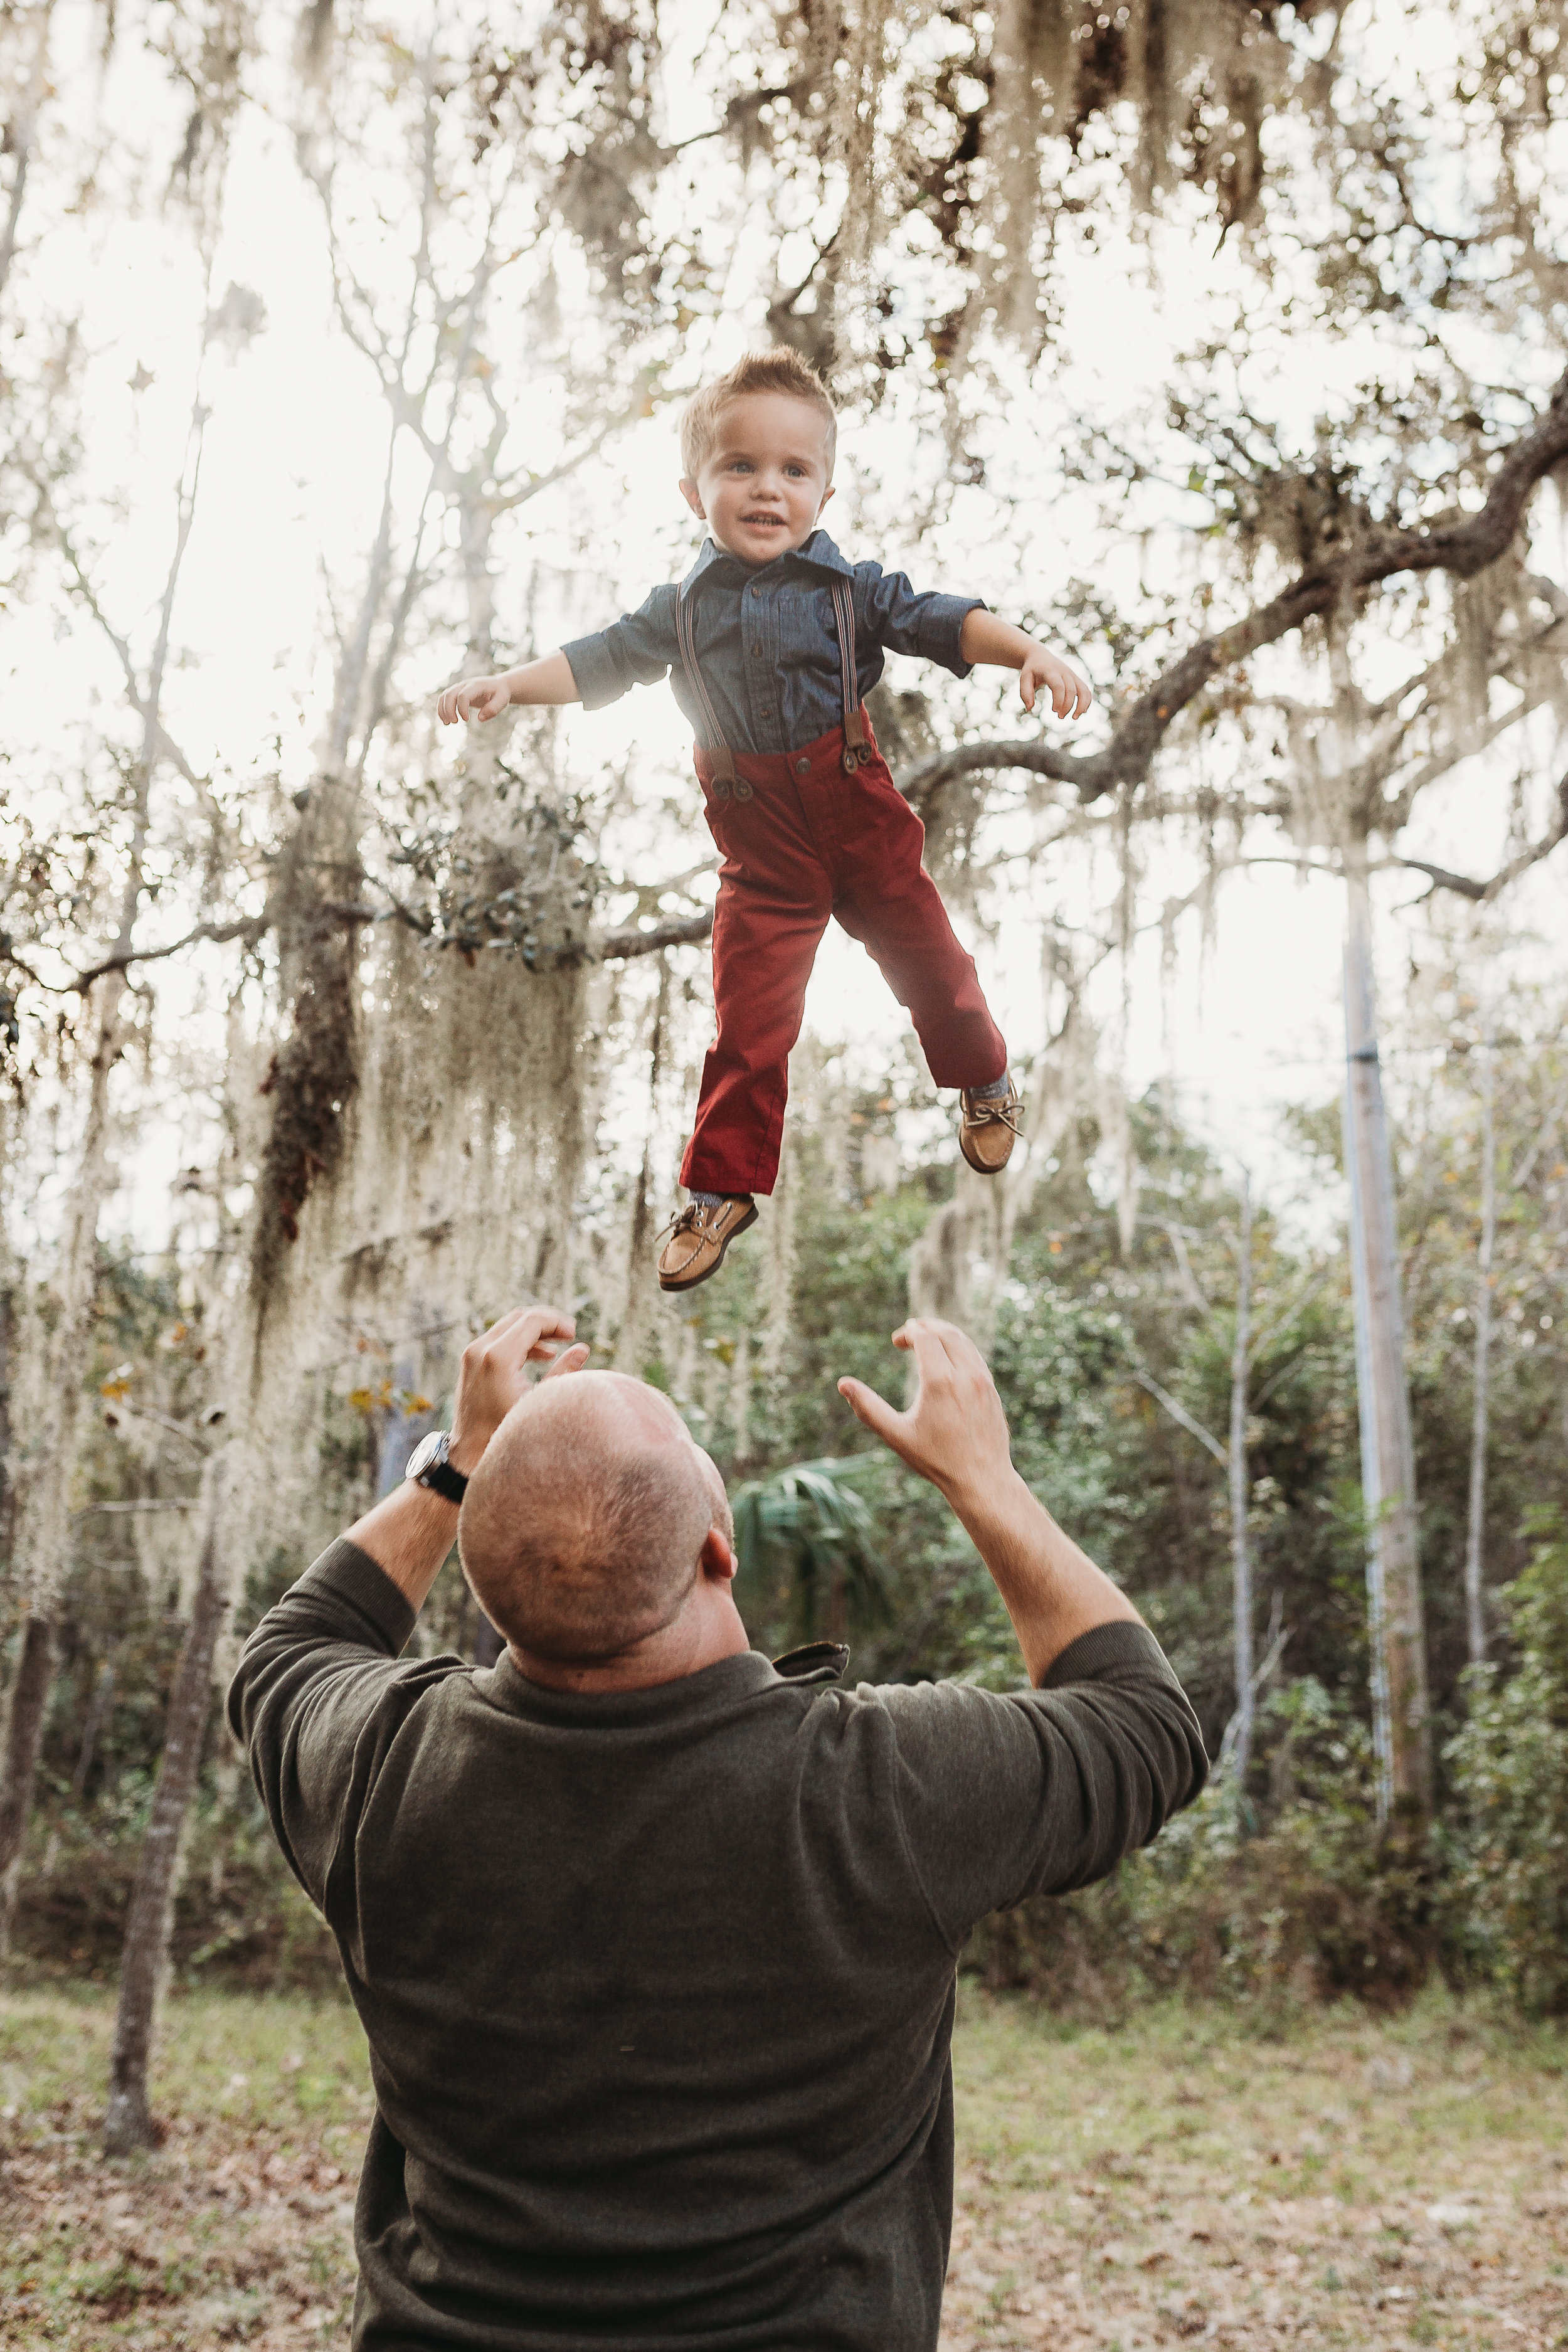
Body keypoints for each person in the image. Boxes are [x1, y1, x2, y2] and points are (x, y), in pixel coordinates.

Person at [230, 1301, 1206, 2352]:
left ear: (473, 1565)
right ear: (717, 1544)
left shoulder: (385, 1767)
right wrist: (984, 1478)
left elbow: (294, 1646)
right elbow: (1145, 1723)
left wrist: (458, 1464)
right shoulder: (878, 1789)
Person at [435, 347, 1093, 1294]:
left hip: (859, 821)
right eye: (739, 466)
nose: (766, 488)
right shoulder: (681, 611)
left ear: (825, 491)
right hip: (761, 855)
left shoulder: (848, 590)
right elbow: (597, 661)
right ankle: (721, 1189)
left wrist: (1026, 649)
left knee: (934, 967)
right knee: (746, 1024)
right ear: (692, 488)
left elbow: (944, 621)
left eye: (793, 471)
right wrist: (512, 685)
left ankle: (984, 1079)